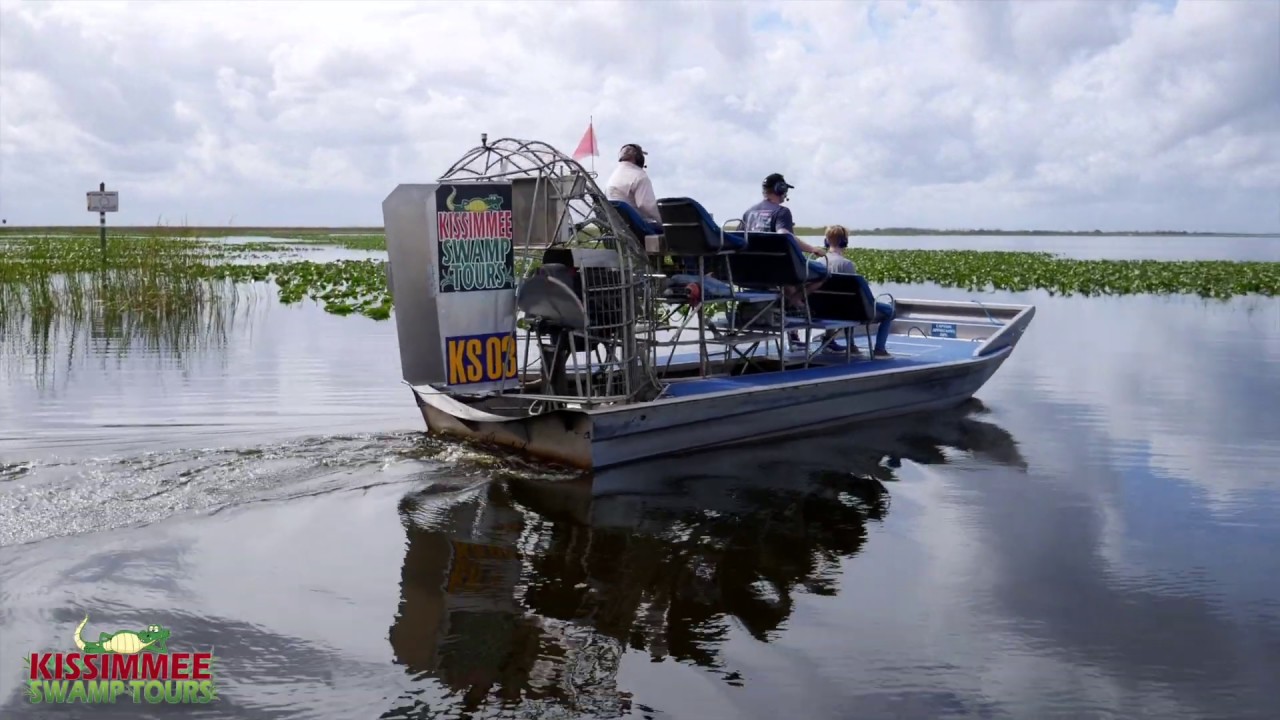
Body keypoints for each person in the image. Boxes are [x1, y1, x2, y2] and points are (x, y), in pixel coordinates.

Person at [741, 172, 827, 350]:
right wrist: (812, 249)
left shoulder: (749, 213)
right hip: (776, 272)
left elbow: (738, 239)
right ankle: (795, 303)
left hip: (751, 272)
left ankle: (792, 323)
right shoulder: (782, 212)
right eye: (785, 189)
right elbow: (785, 235)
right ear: (780, 189)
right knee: (823, 274)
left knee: (789, 284)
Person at [818, 225, 894, 358]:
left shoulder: (818, 262)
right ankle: (879, 350)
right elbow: (855, 295)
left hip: (823, 310)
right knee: (889, 311)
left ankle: (851, 345)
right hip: (845, 311)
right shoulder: (847, 264)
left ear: (826, 241)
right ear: (844, 242)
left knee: (845, 304)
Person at [605, 143, 660, 228]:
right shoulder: (639, 176)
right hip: (637, 227)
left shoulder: (614, 175)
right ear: (639, 158)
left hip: (619, 226)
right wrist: (663, 220)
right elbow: (646, 205)